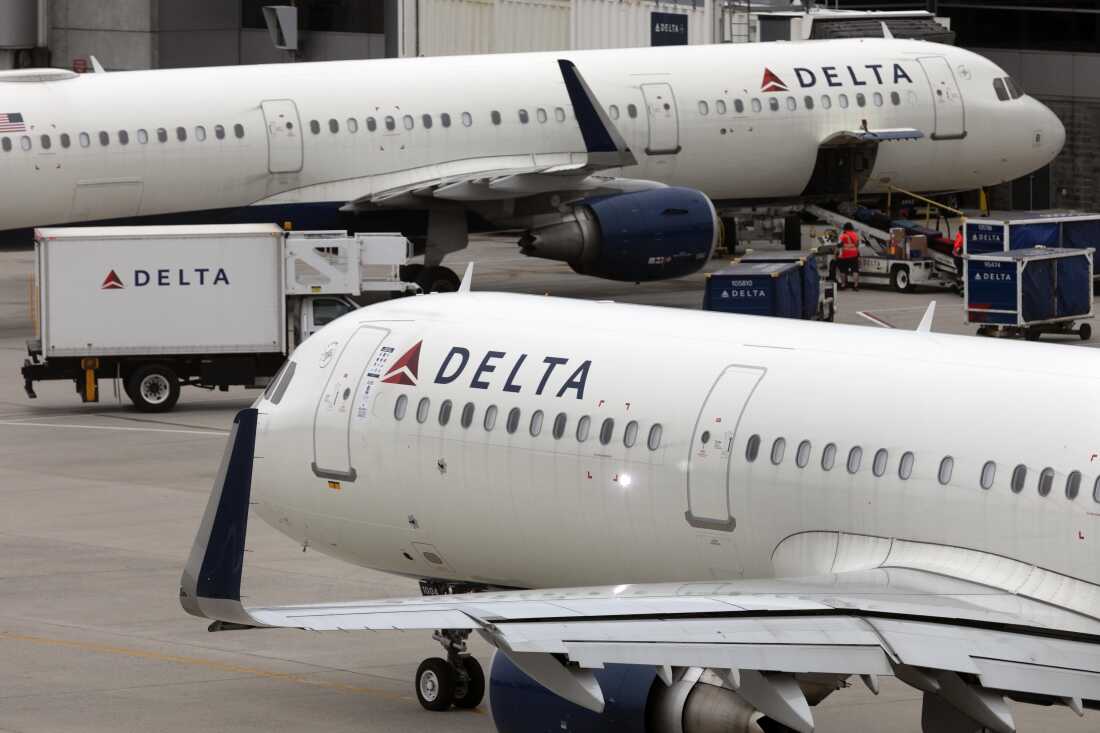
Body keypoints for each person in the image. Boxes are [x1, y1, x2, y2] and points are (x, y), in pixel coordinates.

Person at [837, 222, 860, 291]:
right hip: (854, 254)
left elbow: (839, 245)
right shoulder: (855, 235)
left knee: (843, 271)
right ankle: (855, 286)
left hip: (844, 255)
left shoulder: (843, 235)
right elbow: (857, 244)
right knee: (855, 270)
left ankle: (843, 285)